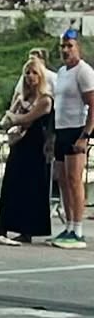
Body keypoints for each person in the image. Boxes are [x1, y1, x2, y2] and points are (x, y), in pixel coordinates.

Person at [0, 54, 53, 242]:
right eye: (27, 73)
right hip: (20, 144)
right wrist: (14, 110)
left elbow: (25, 119)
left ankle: (27, 229)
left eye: (34, 73)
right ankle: (4, 226)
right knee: (12, 183)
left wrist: (16, 115)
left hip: (36, 146)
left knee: (31, 187)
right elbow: (7, 119)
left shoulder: (45, 100)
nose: (30, 76)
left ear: (40, 76)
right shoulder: (22, 97)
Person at [49, 28, 94, 247]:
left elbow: (93, 105)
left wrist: (85, 136)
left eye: (70, 46)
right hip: (62, 128)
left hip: (77, 128)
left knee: (75, 179)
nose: (66, 50)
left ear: (79, 48)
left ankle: (78, 228)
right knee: (63, 180)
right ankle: (68, 226)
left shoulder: (83, 72)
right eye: (63, 46)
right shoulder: (62, 72)